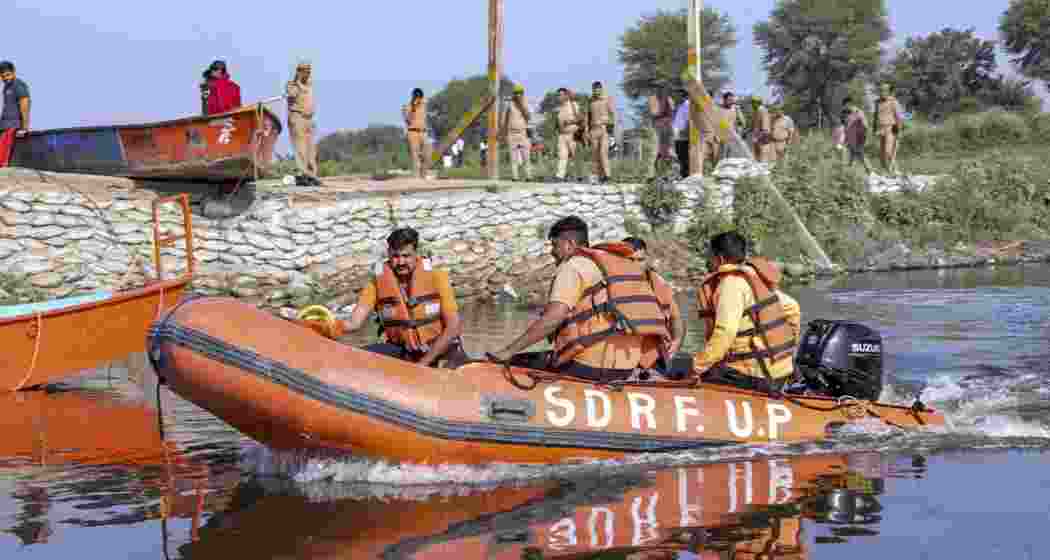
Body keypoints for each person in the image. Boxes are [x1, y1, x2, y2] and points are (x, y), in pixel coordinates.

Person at [487, 216, 673, 382]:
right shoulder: (612, 266)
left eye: (554, 245)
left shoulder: (573, 267)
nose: (552, 252)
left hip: (589, 366)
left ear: (568, 243)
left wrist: (508, 351)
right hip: (626, 367)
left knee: (516, 361)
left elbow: (554, 318)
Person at [692, 231, 802, 394]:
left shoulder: (730, 284)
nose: (707, 261)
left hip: (755, 375)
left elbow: (725, 332)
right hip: (780, 371)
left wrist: (697, 367)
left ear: (720, 258)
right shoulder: (755, 277)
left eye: (709, 256)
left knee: (695, 375)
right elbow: (793, 308)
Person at [340, 228, 466, 368]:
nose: (400, 262)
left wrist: (423, 364)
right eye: (395, 256)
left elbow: (453, 327)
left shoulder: (437, 277)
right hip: (404, 351)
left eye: (406, 256)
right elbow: (353, 322)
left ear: (416, 254)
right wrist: (328, 326)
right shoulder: (377, 282)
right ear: (388, 254)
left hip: (440, 351)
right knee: (357, 358)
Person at [622, 237, 686, 375]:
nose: (635, 265)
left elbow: (676, 318)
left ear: (647, 260)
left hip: (653, 359)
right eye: (630, 260)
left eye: (640, 260)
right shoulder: (610, 285)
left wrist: (677, 340)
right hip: (621, 358)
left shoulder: (659, 284)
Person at [285, 61, 321, 187]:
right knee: (300, 148)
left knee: (311, 149)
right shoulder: (292, 85)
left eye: (309, 71)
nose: (308, 73)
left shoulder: (309, 85)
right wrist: (297, 81)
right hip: (297, 117)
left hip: (309, 119)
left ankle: (312, 175)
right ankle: (303, 174)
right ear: (299, 71)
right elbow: (292, 95)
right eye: (305, 71)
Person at [0, 61, 30, 166]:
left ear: (14, 72)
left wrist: (24, 127)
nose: (6, 78)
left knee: (3, 155)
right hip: (4, 125)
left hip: (13, 125)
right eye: (3, 76)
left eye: (8, 75)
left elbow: (25, 106)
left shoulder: (18, 85)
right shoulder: (6, 87)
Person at [502, 83, 533, 181]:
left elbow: (529, 117)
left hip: (523, 133)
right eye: (516, 93)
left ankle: (528, 176)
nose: (518, 95)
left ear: (523, 93)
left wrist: (522, 105)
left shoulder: (526, 103)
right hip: (511, 133)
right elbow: (504, 119)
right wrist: (503, 132)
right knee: (513, 157)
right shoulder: (509, 104)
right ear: (513, 94)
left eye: (520, 93)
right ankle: (515, 177)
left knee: (526, 157)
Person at [588, 81, 616, 184]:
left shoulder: (608, 99)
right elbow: (588, 116)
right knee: (595, 155)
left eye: (598, 89)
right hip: (593, 130)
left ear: (601, 89)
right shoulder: (591, 101)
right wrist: (587, 130)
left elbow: (613, 115)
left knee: (603, 153)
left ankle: (608, 176)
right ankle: (598, 176)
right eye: (594, 89)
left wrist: (611, 129)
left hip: (604, 130)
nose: (596, 91)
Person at [554, 88, 584, 181]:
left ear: (566, 95)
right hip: (562, 135)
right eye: (559, 95)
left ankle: (579, 176)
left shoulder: (574, 105)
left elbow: (581, 118)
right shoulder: (559, 108)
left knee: (575, 156)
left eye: (562, 95)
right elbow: (557, 123)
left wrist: (569, 121)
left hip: (572, 134)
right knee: (562, 156)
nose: (560, 97)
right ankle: (560, 176)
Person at [873, 83, 903, 175]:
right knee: (881, 153)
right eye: (881, 90)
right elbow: (875, 115)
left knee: (888, 151)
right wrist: (874, 128)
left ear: (889, 92)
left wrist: (899, 131)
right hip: (880, 128)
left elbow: (898, 117)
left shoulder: (894, 101)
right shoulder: (877, 102)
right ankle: (885, 171)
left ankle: (895, 170)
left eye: (884, 90)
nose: (882, 92)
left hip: (891, 128)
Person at [401, 88, 431, 179]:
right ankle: (416, 177)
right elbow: (407, 120)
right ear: (414, 97)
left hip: (424, 132)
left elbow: (429, 102)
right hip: (412, 132)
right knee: (415, 155)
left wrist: (421, 102)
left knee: (427, 154)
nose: (419, 99)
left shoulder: (425, 104)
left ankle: (424, 174)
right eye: (417, 97)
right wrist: (413, 108)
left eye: (420, 97)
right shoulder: (407, 106)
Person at [647, 89, 675, 178]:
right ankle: (652, 174)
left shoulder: (669, 99)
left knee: (668, 152)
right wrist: (663, 103)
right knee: (655, 151)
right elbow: (654, 112)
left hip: (668, 127)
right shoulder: (653, 98)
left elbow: (672, 111)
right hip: (657, 128)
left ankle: (668, 173)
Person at [842, 97, 873, 174]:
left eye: (846, 105)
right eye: (844, 106)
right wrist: (845, 139)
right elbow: (845, 127)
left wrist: (863, 137)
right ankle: (847, 174)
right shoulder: (845, 114)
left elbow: (865, 125)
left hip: (858, 138)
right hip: (849, 139)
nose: (845, 107)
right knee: (849, 157)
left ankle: (870, 172)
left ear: (849, 104)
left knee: (860, 155)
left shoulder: (858, 112)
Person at [672, 96, 691, 179]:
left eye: (677, 95)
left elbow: (688, 119)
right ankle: (682, 174)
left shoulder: (687, 105)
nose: (675, 98)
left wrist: (685, 131)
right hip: (678, 135)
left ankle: (686, 175)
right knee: (680, 155)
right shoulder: (680, 106)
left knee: (684, 156)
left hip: (683, 135)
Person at [750, 97, 774, 163]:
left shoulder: (763, 111)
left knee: (763, 161)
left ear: (757, 103)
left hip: (763, 141)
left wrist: (757, 138)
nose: (752, 105)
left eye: (753, 103)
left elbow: (765, 130)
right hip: (757, 140)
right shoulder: (756, 111)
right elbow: (754, 126)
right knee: (756, 160)